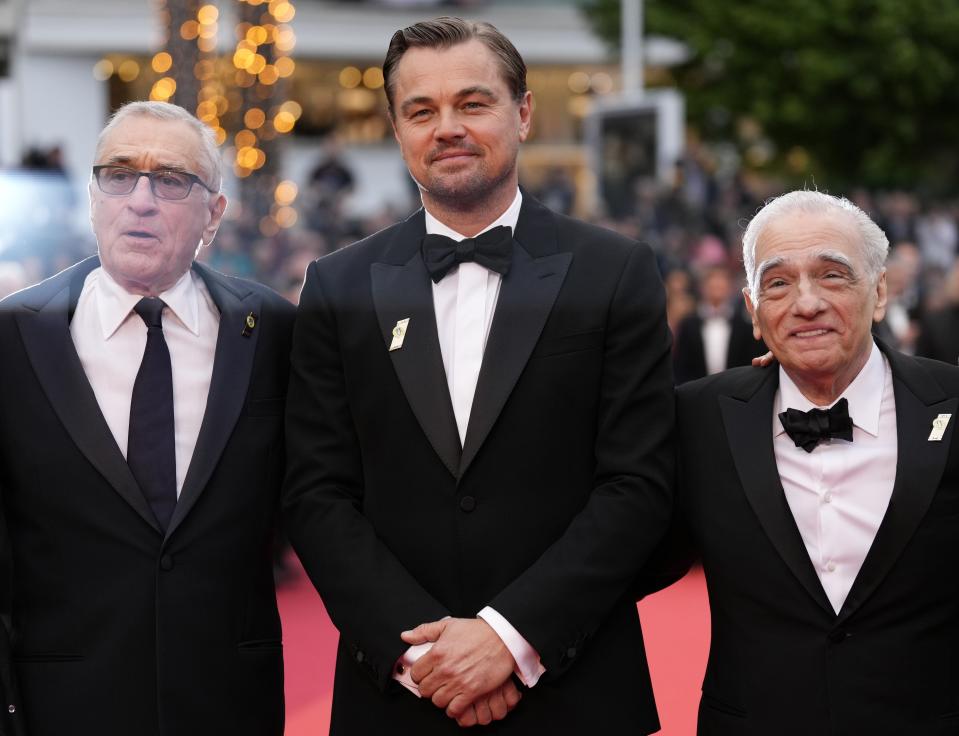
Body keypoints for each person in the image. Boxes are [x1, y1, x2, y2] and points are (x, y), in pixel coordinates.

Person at [283, 16, 674, 735]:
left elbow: (638, 484)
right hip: (396, 693)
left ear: (522, 113)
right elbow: (315, 491)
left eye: (472, 103)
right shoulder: (336, 285)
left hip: (574, 688)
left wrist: (509, 637)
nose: (447, 128)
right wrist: (423, 656)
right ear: (397, 131)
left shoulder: (615, 272)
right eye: (421, 111)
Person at [0, 101, 294, 736]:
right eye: (119, 174)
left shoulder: (274, 330)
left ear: (213, 214)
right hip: (60, 702)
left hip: (228, 701)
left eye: (171, 179)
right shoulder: (13, 335)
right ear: (92, 197)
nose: (140, 199)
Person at [658, 190, 959, 735]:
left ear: (881, 290)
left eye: (832, 276)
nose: (806, 303)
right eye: (777, 282)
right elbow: (624, 551)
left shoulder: (952, 404)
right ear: (753, 310)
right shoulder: (695, 419)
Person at [672, 264, 765, 383]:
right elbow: (680, 366)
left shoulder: (744, 327)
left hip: (736, 392)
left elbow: (750, 365)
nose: (717, 287)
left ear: (730, 288)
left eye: (721, 284)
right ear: (703, 288)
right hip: (695, 393)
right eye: (712, 284)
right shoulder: (688, 325)